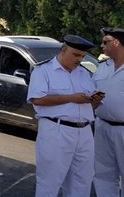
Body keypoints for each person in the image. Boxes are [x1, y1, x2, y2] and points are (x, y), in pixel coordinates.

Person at [27, 34, 104, 197]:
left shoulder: (83, 73)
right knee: (50, 181)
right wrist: (72, 98)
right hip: (57, 130)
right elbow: (37, 100)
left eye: (82, 56)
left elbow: (90, 105)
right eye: (76, 55)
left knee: (82, 181)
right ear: (63, 51)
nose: (79, 59)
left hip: (84, 132)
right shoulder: (44, 71)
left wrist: (94, 101)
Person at [93, 27, 124, 196]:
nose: (102, 45)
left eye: (106, 42)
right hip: (102, 126)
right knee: (103, 174)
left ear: (117, 42)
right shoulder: (103, 66)